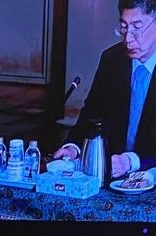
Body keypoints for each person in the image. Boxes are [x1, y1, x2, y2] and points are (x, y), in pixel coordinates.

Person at [54, 0, 156, 177]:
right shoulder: (112, 59)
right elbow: (91, 114)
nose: (128, 39)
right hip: (111, 175)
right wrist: (72, 147)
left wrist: (131, 161)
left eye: (137, 28)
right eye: (123, 28)